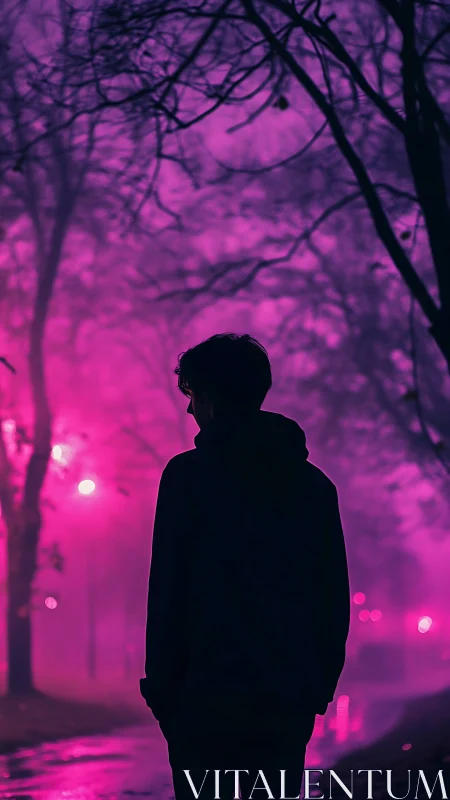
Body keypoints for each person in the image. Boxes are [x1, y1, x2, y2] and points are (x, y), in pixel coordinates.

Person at [140, 333, 350, 800]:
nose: (190, 409)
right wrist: (315, 689)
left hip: (203, 702)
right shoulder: (314, 488)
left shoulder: (187, 479)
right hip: (283, 701)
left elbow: (168, 594)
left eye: (191, 393)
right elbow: (331, 600)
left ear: (210, 395)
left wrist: (163, 692)